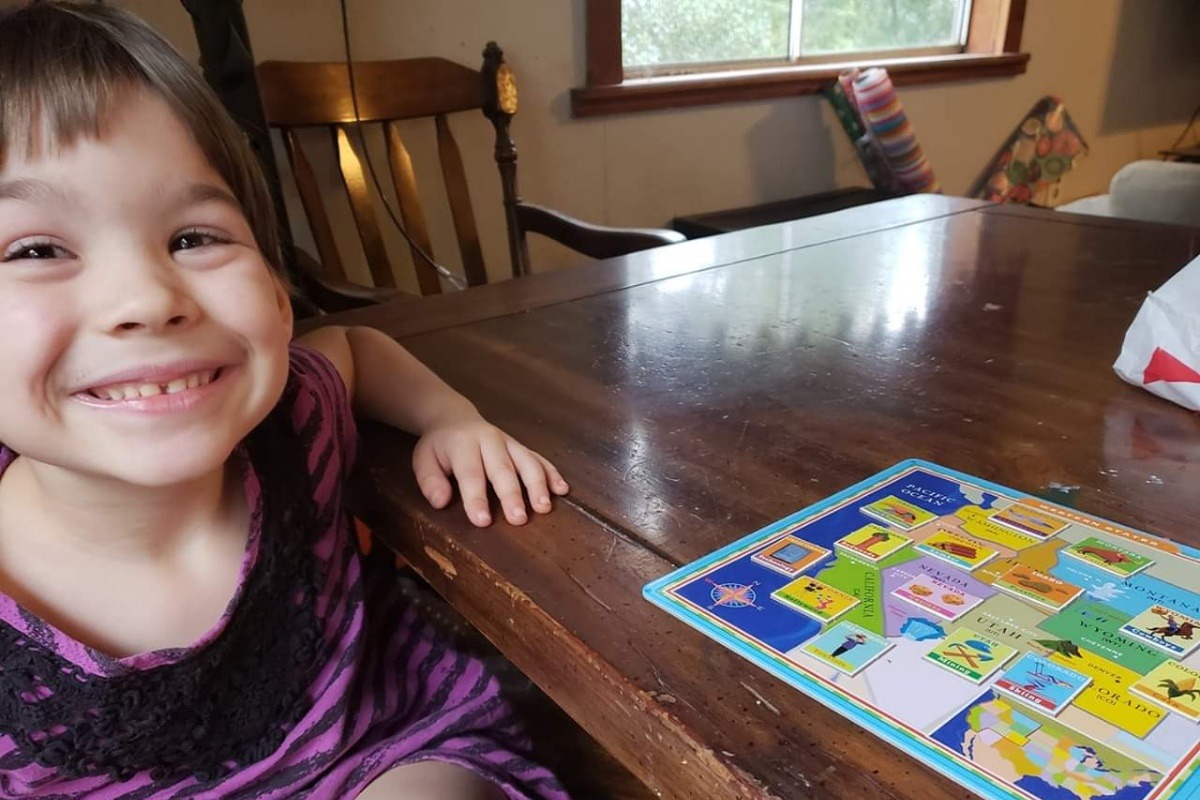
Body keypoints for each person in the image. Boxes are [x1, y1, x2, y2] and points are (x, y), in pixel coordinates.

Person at [0, 2, 571, 797]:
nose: (147, 298)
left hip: (381, 748)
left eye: (194, 237)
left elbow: (355, 348)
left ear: (275, 292)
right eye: (36, 249)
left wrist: (450, 418)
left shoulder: (293, 424)